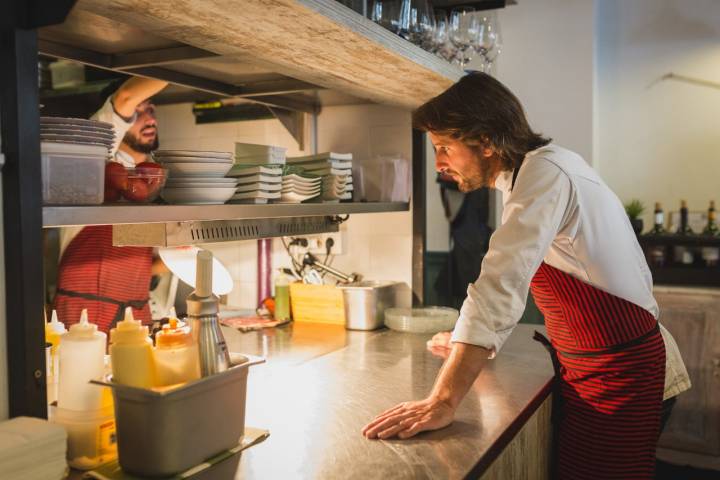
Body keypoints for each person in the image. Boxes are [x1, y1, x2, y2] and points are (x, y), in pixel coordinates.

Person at [362, 72, 690, 480]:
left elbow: (501, 280)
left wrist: (443, 400)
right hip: (599, 368)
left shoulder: (545, 174)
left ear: (484, 142)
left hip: (622, 375)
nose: (439, 164)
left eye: (444, 148)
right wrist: (469, 341)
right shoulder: (539, 171)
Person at [54, 76, 168, 333]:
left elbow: (153, 262)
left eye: (151, 110)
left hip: (136, 314)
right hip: (84, 317)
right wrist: (183, 61)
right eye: (138, 113)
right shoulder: (92, 164)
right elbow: (126, 97)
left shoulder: (151, 180)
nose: (149, 119)